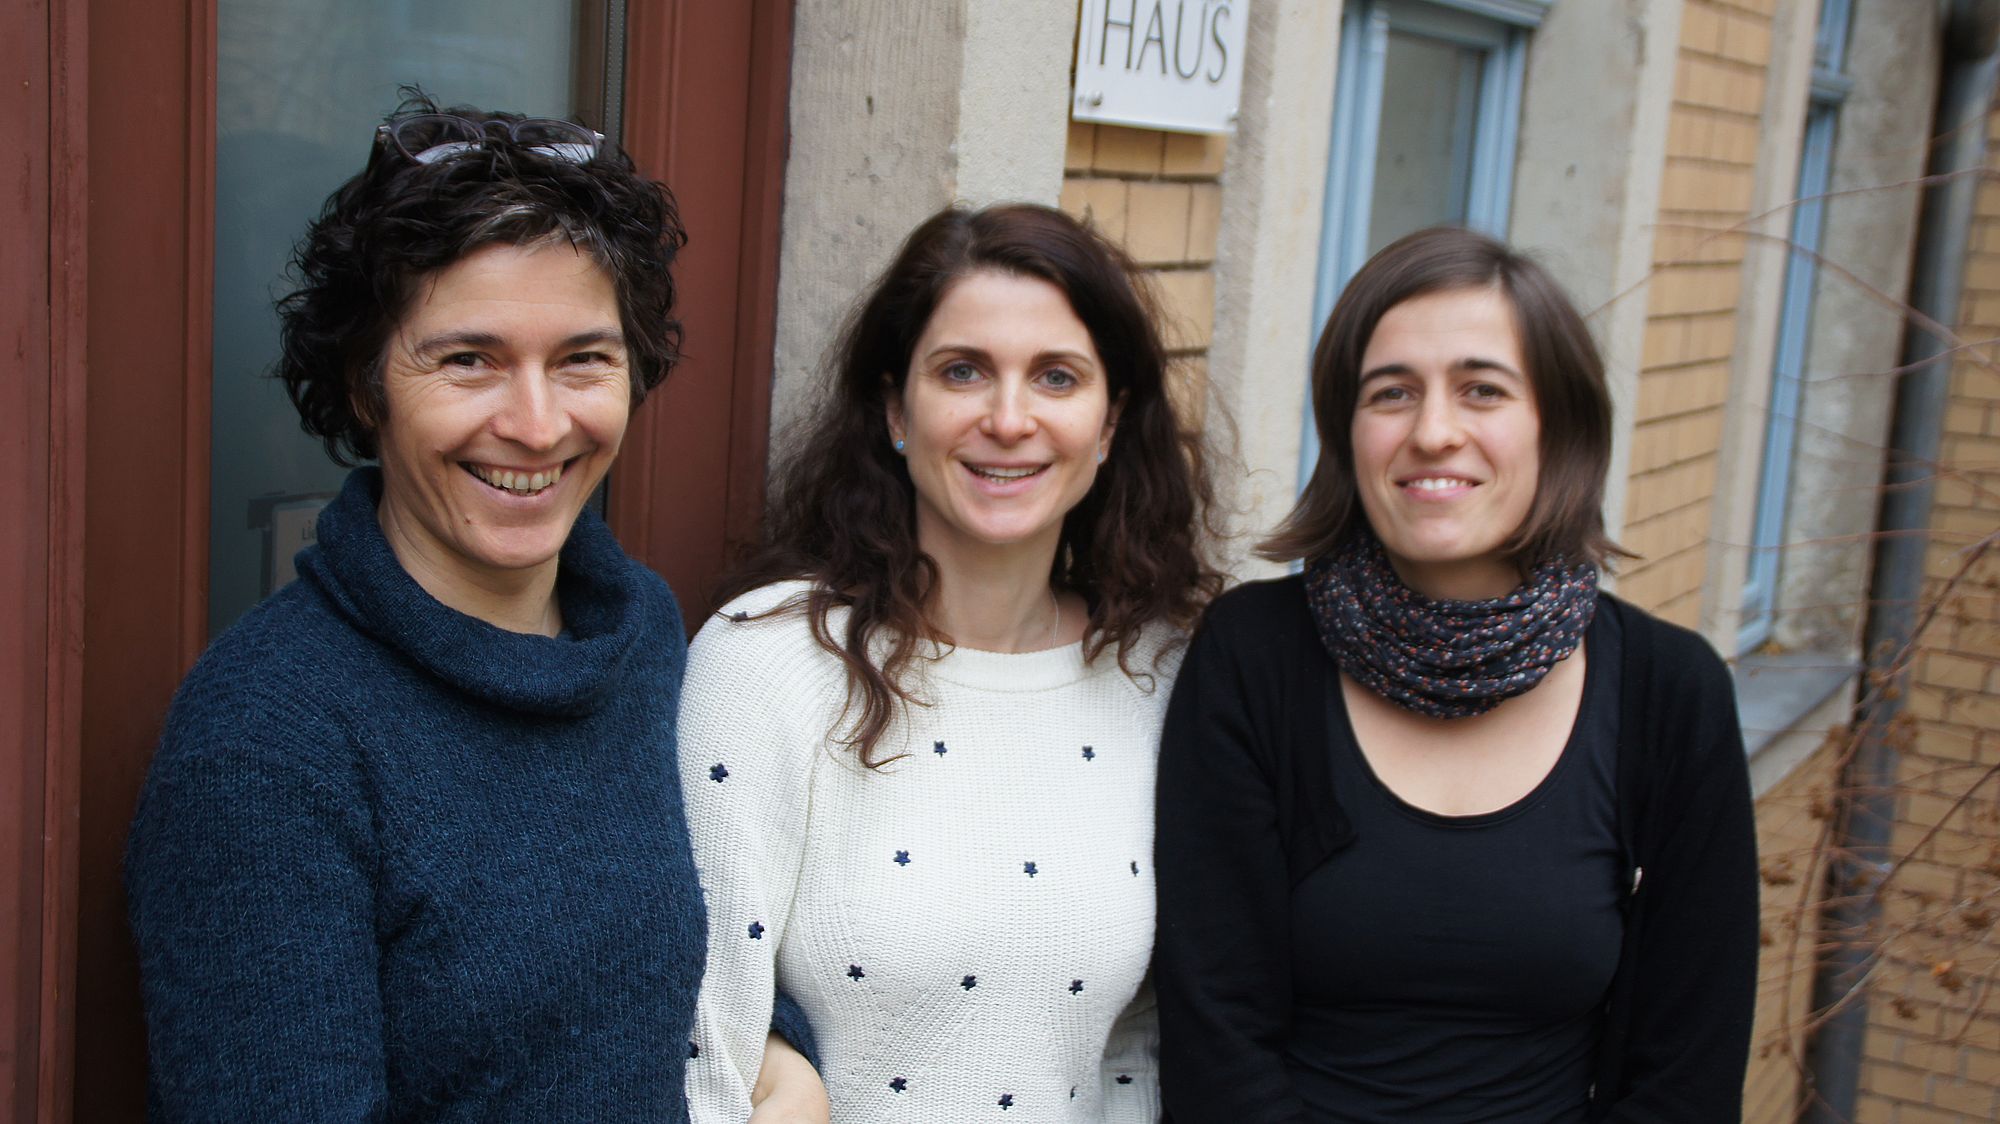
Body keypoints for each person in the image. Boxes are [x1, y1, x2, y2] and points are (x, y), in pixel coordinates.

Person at [124, 96, 823, 1121]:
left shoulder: (641, 634)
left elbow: (703, 937)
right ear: (365, 385)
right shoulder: (266, 742)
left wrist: (782, 1056)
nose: (536, 425)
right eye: (468, 359)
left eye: (582, 358)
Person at [1154, 227, 1759, 1122]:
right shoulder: (1253, 655)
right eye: (1392, 393)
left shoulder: (1671, 693)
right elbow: (1215, 1031)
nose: (1433, 433)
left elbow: (1688, 1074)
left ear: (1559, 425)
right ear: (1347, 432)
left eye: (1483, 390)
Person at [679, 203, 1221, 1122]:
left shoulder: (1160, 674)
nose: (1008, 419)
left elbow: (1139, 1047)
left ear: (1110, 422)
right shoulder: (769, 660)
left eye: (1056, 377)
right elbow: (703, 1030)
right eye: (963, 371)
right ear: (897, 410)